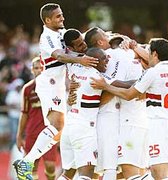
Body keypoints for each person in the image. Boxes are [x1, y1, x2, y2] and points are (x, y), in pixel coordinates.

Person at [13, 3, 98, 180]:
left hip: (59, 83)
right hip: (50, 82)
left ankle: (27, 162)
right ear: (48, 20)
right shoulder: (47, 36)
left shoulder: (61, 32)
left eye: (61, 15)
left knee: (59, 130)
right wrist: (81, 59)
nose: (62, 18)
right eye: (58, 16)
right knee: (57, 126)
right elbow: (59, 55)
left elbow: (79, 40)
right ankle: (27, 162)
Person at [90, 38, 168, 180]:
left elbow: (128, 95)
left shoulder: (152, 72)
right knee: (152, 173)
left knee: (137, 172)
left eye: (148, 52)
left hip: (158, 124)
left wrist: (105, 86)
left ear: (155, 54)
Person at [84, 27, 149, 180]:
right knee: (118, 168)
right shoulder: (114, 55)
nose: (108, 34)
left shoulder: (117, 54)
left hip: (118, 116)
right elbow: (115, 85)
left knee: (111, 168)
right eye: (104, 34)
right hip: (119, 116)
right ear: (100, 42)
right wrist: (145, 83)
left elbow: (111, 87)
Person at [58, 47, 110, 180]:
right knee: (86, 174)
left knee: (67, 174)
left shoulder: (75, 70)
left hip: (70, 126)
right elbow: (125, 87)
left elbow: (66, 57)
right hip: (84, 129)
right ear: (93, 61)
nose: (107, 61)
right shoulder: (98, 78)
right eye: (104, 58)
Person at [15, 57, 58, 180]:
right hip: (32, 131)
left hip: (49, 130)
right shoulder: (27, 89)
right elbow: (24, 113)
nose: (39, 70)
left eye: (41, 67)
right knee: (31, 165)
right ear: (32, 70)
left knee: (50, 166)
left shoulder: (53, 86)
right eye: (36, 68)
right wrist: (19, 136)